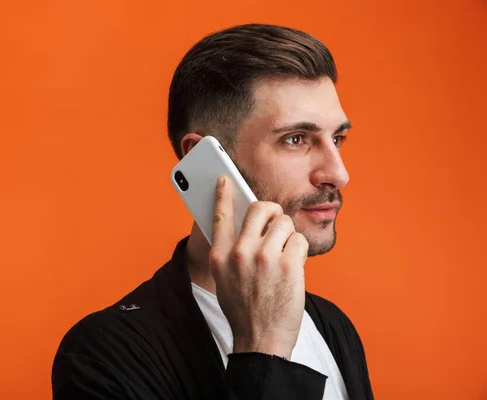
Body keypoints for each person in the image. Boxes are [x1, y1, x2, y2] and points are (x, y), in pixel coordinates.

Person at [51, 23, 374, 400]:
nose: (338, 173)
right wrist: (263, 349)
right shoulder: (106, 355)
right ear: (202, 159)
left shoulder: (331, 325)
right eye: (296, 139)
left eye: (337, 138)